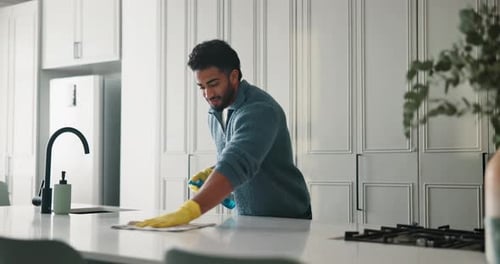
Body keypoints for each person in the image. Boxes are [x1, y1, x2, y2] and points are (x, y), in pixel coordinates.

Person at [135, 39, 311, 228]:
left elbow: (237, 162)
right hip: (248, 219)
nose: (208, 94)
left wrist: (188, 211)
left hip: (287, 221)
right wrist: (214, 171)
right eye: (202, 87)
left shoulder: (259, 110)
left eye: (213, 83)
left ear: (234, 76)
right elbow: (244, 155)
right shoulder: (216, 112)